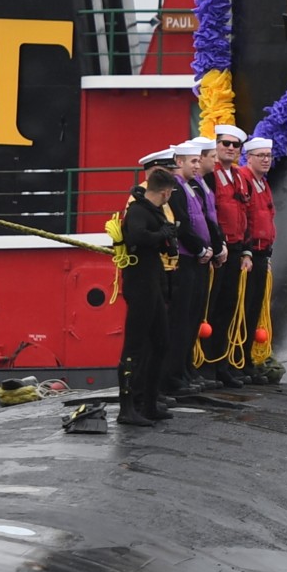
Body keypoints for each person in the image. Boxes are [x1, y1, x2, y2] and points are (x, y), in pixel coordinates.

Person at [115, 168, 180, 427]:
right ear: (165, 192)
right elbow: (137, 236)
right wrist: (162, 235)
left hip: (153, 281)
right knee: (134, 346)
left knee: (161, 343)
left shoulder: (153, 211)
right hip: (140, 283)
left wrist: (165, 238)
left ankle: (150, 403)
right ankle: (127, 407)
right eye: (169, 194)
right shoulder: (138, 211)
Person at [164, 140, 221, 394]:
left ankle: (186, 369)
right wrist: (201, 248)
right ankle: (175, 374)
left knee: (193, 318)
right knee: (182, 320)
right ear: (179, 162)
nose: (197, 165)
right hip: (188, 260)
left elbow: (204, 221)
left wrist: (212, 248)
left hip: (199, 260)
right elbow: (183, 225)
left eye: (199, 160)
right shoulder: (177, 189)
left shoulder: (191, 188)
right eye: (194, 161)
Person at [203, 123, 253, 386]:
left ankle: (221, 363)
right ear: (216, 145)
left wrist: (246, 250)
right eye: (226, 144)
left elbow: (246, 214)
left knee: (227, 309)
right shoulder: (210, 177)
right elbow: (208, 215)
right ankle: (203, 365)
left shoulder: (239, 177)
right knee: (209, 309)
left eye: (236, 145)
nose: (231, 149)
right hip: (216, 251)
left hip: (234, 251)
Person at [239, 135, 280, 382]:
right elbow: (243, 217)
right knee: (242, 310)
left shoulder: (263, 183)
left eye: (268, 156)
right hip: (250, 253)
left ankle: (246, 361)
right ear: (250, 157)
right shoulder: (244, 180)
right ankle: (238, 361)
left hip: (263, 252)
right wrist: (246, 251)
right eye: (261, 156)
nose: (266, 160)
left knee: (254, 309)